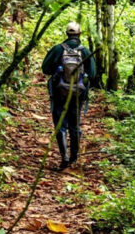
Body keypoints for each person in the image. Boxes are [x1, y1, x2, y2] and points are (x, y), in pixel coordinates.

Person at [42, 21, 96, 170]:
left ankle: (64, 156)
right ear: (79, 34)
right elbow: (92, 74)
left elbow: (45, 69)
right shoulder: (85, 51)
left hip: (59, 93)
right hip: (78, 94)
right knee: (75, 125)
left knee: (60, 125)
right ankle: (74, 158)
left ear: (67, 34)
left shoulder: (58, 49)